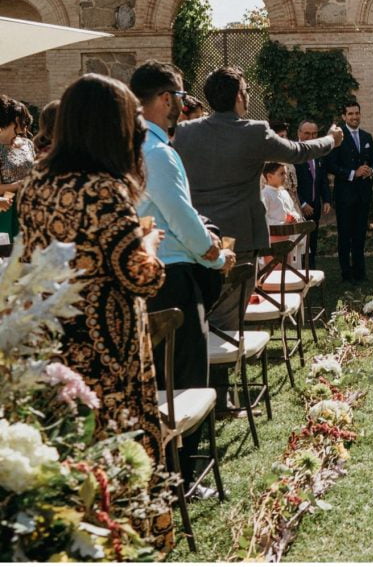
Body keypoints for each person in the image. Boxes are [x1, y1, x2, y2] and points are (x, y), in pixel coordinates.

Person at [16, 74, 172, 549]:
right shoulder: (103, 190)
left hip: (53, 342)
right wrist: (147, 241)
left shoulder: (37, 183)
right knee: (117, 451)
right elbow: (141, 276)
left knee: (71, 452)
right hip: (108, 350)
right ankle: (127, 543)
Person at [130, 60, 236, 495]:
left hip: (150, 271)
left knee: (161, 377)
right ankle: (181, 478)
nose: (181, 105)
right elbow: (181, 220)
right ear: (162, 99)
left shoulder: (131, 147)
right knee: (186, 375)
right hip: (174, 275)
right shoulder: (157, 152)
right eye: (177, 96)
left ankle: (164, 471)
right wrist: (215, 257)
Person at [173, 66, 343, 332]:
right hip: (238, 241)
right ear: (240, 96)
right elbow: (298, 151)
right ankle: (219, 371)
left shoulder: (184, 133)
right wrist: (331, 140)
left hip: (196, 238)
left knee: (200, 320)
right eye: (247, 90)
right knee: (226, 323)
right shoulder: (253, 132)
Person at [324, 102, 373, 283]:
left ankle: (360, 273)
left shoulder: (367, 137)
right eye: (350, 114)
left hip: (363, 195)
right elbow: (331, 165)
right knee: (345, 236)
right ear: (344, 116)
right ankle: (346, 274)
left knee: (360, 235)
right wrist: (353, 173)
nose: (355, 117)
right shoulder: (338, 138)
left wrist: (370, 171)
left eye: (357, 113)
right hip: (345, 196)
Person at [294, 119, 331, 269]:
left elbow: (322, 179)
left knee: (313, 240)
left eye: (314, 134)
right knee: (300, 242)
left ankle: (311, 269)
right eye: (307, 133)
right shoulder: (293, 153)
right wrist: (302, 203)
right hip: (299, 206)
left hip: (315, 205)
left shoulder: (318, 153)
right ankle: (300, 271)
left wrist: (327, 199)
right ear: (299, 133)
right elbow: (290, 183)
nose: (311, 137)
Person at [0, 96, 35, 238]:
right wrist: (21, 184)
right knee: (8, 254)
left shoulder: (27, 144)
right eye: (22, 118)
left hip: (30, 205)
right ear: (13, 119)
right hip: (6, 209)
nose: (25, 123)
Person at [262, 161, 306, 267]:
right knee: (275, 270)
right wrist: (282, 223)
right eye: (281, 174)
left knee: (288, 267)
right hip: (273, 239)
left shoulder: (284, 193)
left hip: (288, 237)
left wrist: (295, 217)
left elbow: (293, 210)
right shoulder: (265, 194)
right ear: (269, 176)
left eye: (285, 173)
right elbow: (263, 219)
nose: (285, 177)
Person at [268, 121, 302, 213]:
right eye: (281, 136)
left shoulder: (288, 158)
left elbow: (294, 190)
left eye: (285, 136)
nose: (285, 139)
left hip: (292, 203)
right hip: (277, 205)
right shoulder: (268, 161)